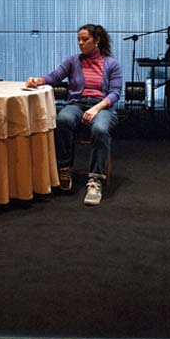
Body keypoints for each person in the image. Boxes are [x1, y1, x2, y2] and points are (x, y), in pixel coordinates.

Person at [25, 24, 122, 206]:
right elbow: (55, 76)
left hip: (101, 106)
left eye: (85, 39)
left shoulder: (111, 64)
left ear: (97, 40)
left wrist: (96, 108)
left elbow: (115, 92)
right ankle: (64, 168)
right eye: (78, 39)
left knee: (100, 129)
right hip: (77, 103)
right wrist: (38, 80)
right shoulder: (73, 61)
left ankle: (95, 180)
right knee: (63, 119)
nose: (80, 43)